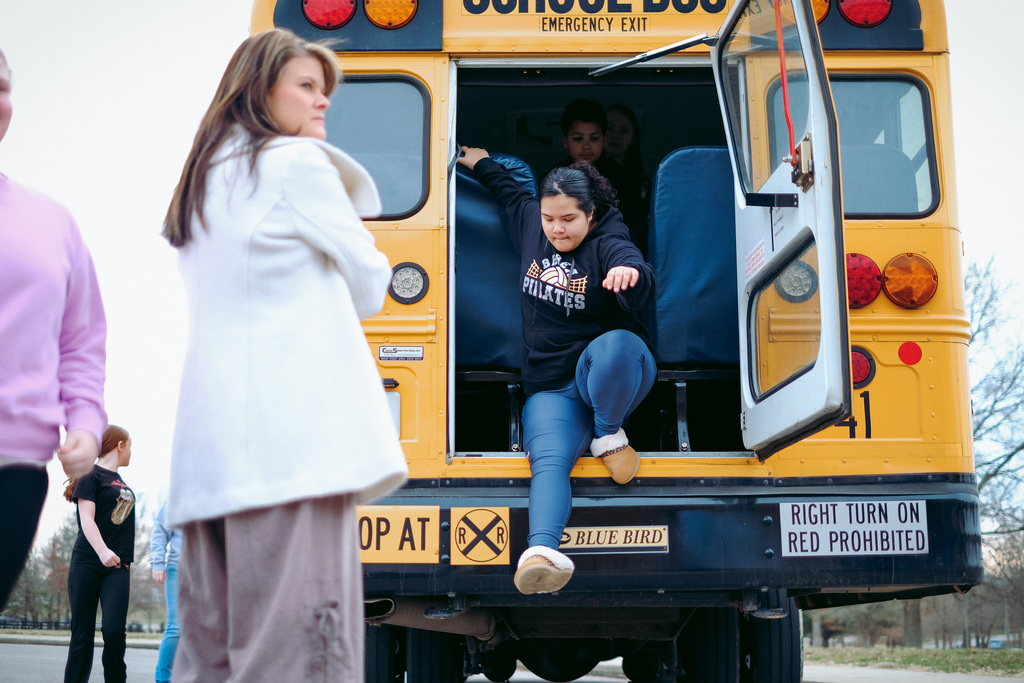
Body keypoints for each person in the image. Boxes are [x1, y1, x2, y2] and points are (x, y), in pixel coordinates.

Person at [162, 29, 407, 682]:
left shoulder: (202, 178)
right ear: (259, 90)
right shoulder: (296, 164)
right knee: (303, 656)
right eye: (307, 86)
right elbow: (372, 285)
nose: (323, 102)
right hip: (292, 451)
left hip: (209, 459)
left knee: (210, 658)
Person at [458, 147, 657, 595]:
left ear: (591, 214)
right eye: (550, 218)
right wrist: (480, 162)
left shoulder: (609, 240)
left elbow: (635, 267)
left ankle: (608, 434)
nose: (557, 229)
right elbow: (508, 192)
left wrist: (629, 274)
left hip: (609, 374)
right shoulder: (532, 222)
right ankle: (542, 553)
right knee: (548, 462)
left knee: (618, 344)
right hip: (551, 385)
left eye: (568, 219)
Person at [0, 46, 107, 611]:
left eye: (1, 87)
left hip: (15, 474)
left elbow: (80, 344)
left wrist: (85, 423)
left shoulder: (52, 223)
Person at [62, 425, 135, 683]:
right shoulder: (90, 475)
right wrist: (103, 551)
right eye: (130, 445)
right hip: (87, 562)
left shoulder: (121, 482)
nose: (131, 451)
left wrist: (113, 555)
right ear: (120, 446)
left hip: (118, 567)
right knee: (82, 635)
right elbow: (87, 519)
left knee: (114, 632)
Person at [551, 98, 649, 255]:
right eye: (578, 138)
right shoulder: (553, 178)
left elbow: (632, 223)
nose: (586, 146)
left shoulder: (622, 177)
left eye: (594, 138)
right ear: (565, 141)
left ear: (603, 140)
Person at [150, 502, 181, 683]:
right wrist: (158, 563)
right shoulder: (178, 494)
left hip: (212, 570)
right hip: (179, 568)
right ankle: (164, 679)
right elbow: (160, 530)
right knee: (177, 627)